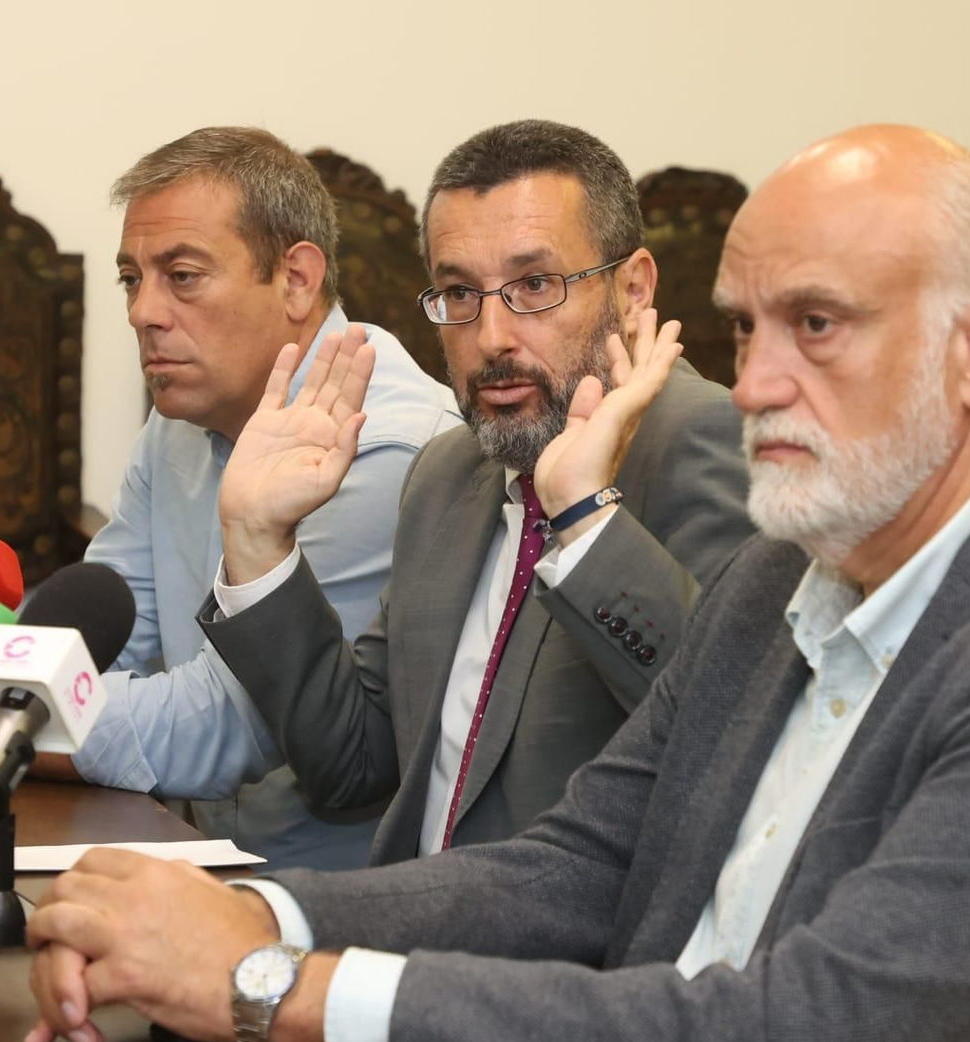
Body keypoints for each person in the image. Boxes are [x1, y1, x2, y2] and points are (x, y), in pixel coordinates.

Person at [23, 124, 970, 1042]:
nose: (760, 380)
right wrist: (250, 912)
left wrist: (267, 984)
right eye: (744, 325)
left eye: (816, 325)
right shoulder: (799, 567)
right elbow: (583, 864)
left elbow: (796, 1040)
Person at [198, 119, 751, 864]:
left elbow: (732, 734)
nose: (491, 336)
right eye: (459, 292)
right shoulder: (447, 474)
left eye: (534, 285)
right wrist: (260, 546)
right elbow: (353, 772)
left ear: (633, 289)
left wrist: (586, 518)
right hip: (413, 927)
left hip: (575, 964)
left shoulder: (705, 437)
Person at [36, 127, 460, 871]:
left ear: (296, 280)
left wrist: (3, 716)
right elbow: (103, 647)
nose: (143, 312)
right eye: (132, 278)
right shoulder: (178, 425)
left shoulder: (385, 446)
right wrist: (18, 689)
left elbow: (227, 727)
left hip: (329, 911)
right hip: (185, 857)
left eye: (184, 276)